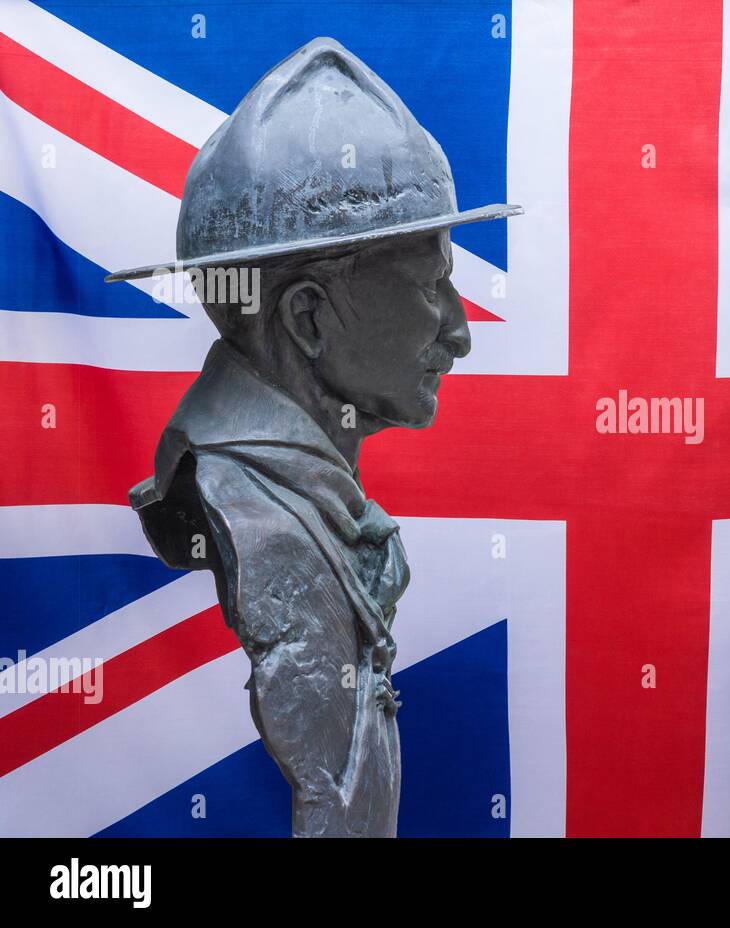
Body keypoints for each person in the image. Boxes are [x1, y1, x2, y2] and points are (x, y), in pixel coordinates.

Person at [107, 37, 520, 837]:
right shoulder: (260, 520)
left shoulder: (308, 492)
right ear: (308, 318)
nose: (461, 333)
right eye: (432, 286)